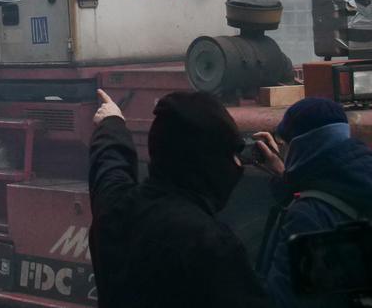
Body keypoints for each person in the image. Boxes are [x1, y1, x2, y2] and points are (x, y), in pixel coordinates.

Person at [89, 88, 269, 308]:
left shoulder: (113, 210)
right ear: (209, 164)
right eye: (232, 154)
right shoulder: (212, 245)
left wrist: (112, 122)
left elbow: (110, 164)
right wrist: (288, 179)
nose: (238, 164)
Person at [254, 97, 372, 308]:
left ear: (300, 146)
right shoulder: (360, 177)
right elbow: (331, 187)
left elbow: (283, 299)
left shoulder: (306, 216)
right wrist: (285, 176)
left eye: (286, 144)